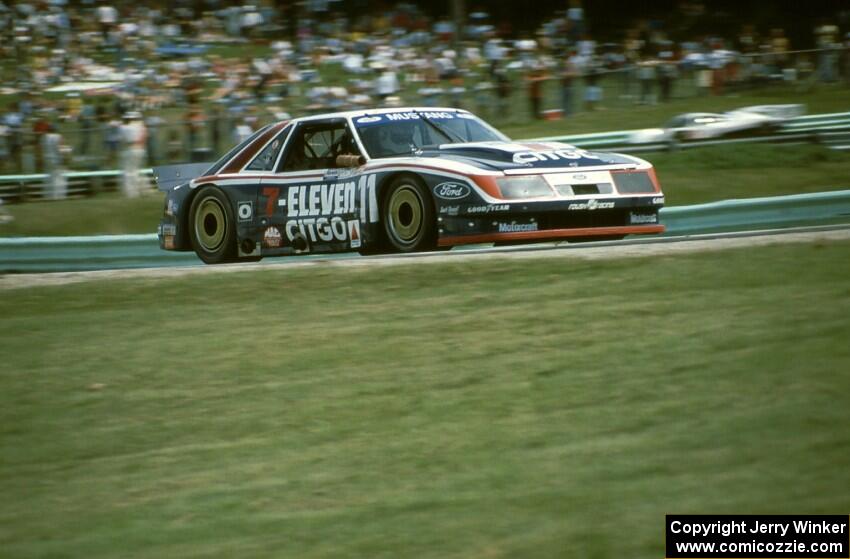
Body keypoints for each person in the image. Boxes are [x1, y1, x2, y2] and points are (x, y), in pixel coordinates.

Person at [119, 112, 148, 198]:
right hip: (140, 149)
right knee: (136, 171)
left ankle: (132, 193)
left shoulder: (125, 128)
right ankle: (142, 190)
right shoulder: (140, 126)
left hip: (130, 148)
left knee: (128, 172)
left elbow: (122, 138)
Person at [42, 124, 67, 200]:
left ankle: (48, 196)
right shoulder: (59, 136)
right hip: (56, 159)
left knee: (49, 178)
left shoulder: (44, 137)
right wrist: (67, 154)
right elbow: (62, 148)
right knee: (59, 178)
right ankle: (59, 196)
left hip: (47, 158)